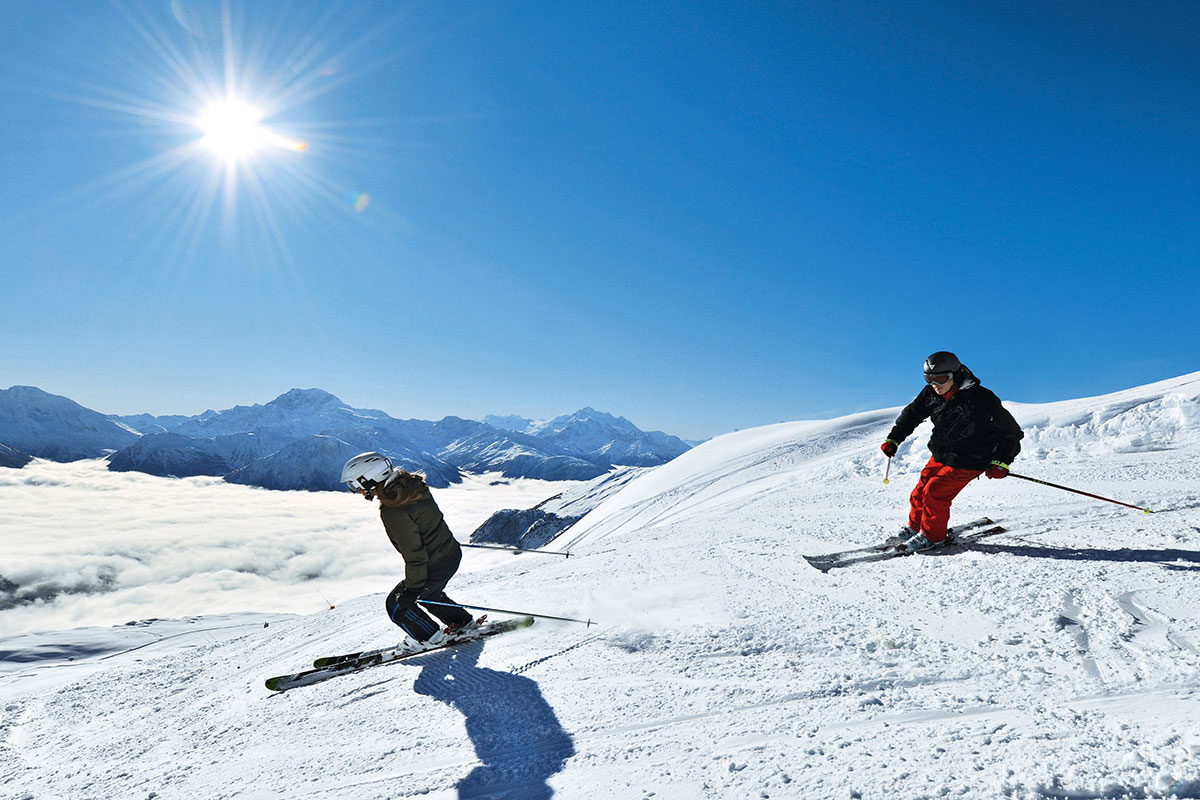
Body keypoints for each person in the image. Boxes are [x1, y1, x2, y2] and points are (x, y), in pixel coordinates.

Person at [880, 352, 1024, 552]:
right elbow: (911, 415)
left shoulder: (981, 399)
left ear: (955, 375)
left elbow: (1011, 432)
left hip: (971, 459)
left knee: (935, 492)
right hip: (943, 453)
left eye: (940, 379)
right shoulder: (930, 394)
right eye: (929, 379)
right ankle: (916, 527)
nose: (934, 384)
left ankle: (933, 537)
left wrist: (1002, 461)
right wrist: (894, 438)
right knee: (920, 492)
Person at [341, 452, 479, 648]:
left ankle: (429, 637)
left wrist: (413, 588)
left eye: (355, 485)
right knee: (429, 594)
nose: (355, 490)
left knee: (397, 604)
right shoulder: (410, 488)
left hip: (435, 562)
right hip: (449, 553)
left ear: (370, 479)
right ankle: (462, 622)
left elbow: (414, 554)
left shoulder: (394, 509)